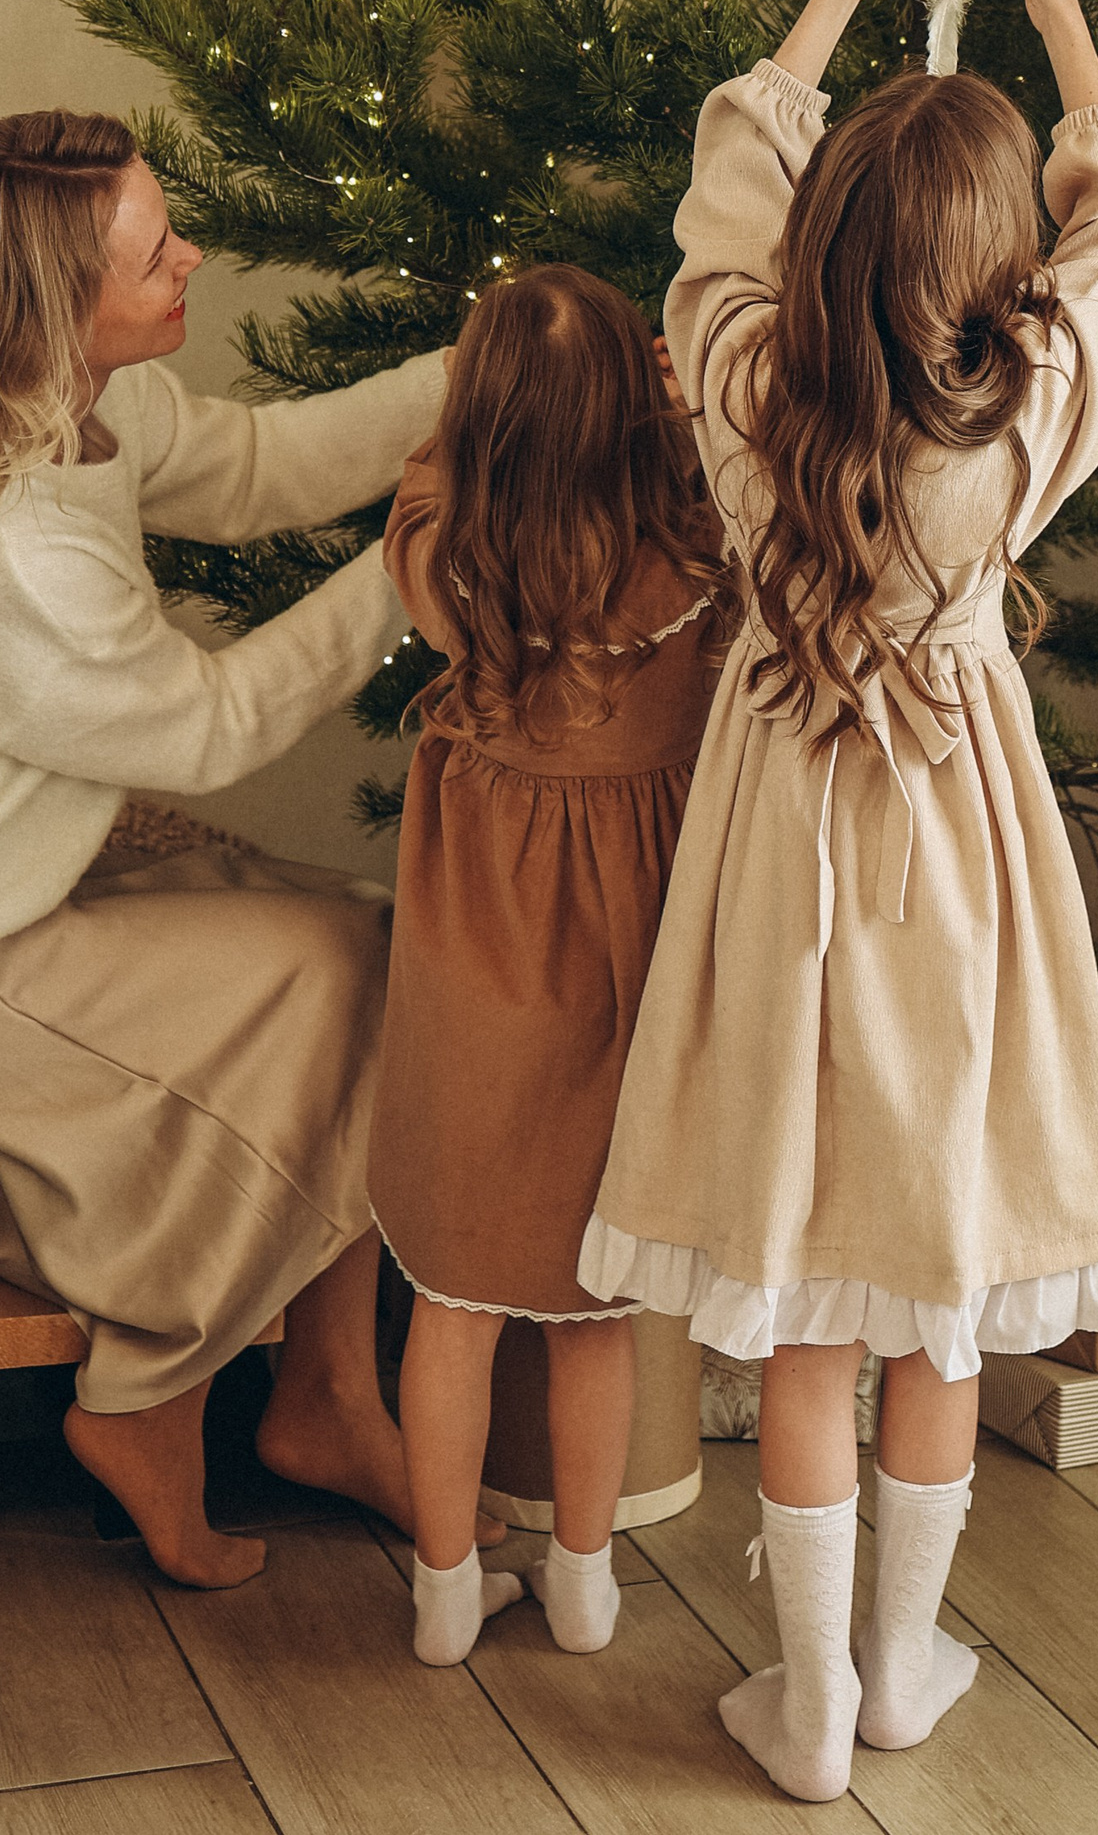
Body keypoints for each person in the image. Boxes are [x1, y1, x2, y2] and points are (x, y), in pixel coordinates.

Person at [583, 0, 1098, 1804]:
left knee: (805, 1300)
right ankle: (902, 1664)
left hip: (783, 853)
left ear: (823, 242)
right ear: (1007, 276)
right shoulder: (1027, 418)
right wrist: (1064, 15)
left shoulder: (743, 379)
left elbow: (723, 198)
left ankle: (808, 1696)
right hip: (962, 861)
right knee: (931, 1287)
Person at [0, 108, 447, 1589]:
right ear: (55, 301)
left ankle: (328, 1399)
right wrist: (422, 556)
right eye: (155, 251)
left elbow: (255, 465)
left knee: (379, 937)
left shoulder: (47, 393)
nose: (191, 258)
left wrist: (474, 381)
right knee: (335, 966)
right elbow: (215, 727)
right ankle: (148, 1393)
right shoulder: (9, 545)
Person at [369, 262, 736, 1670]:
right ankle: (586, 1586)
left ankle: (443, 1591)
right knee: (595, 1314)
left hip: (476, 979)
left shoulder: (453, 561)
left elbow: (418, 490)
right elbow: (734, 494)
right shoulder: (690, 565)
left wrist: (468, 425)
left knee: (452, 1303)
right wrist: (682, 416)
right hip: (620, 981)